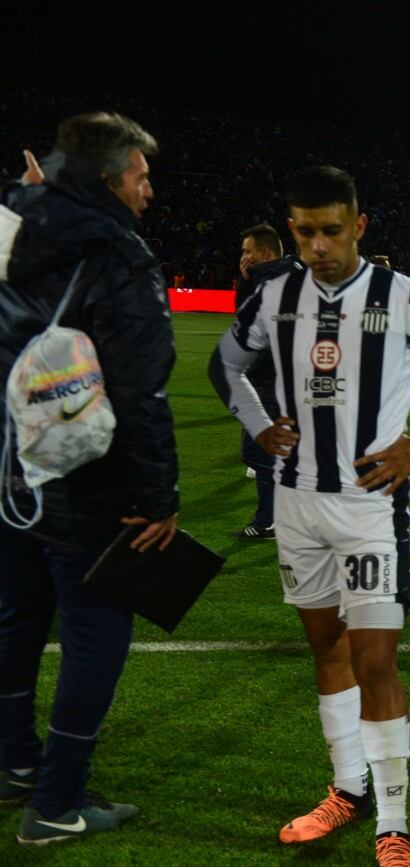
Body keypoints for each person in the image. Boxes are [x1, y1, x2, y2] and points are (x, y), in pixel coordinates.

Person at [213, 165, 410, 866]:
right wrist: (257, 425)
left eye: (332, 230)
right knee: (326, 649)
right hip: (295, 502)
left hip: (369, 505)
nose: (319, 245)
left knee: (375, 658)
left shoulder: (404, 295)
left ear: (359, 226)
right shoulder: (273, 295)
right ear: (292, 228)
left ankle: (393, 821)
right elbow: (226, 366)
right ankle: (346, 787)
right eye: (306, 231)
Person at [0, 113, 177, 845]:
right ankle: (56, 801)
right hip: (85, 476)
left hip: (13, 468)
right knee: (97, 632)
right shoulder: (117, 253)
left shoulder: (13, 226)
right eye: (140, 175)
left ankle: (12, 761)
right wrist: (158, 495)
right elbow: (139, 388)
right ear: (109, 179)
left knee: (16, 614)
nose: (149, 190)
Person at [225, 224, 302, 539]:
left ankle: (270, 519)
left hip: (272, 382)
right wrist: (246, 283)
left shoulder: (273, 284)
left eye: (247, 251)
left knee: (259, 453)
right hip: (291, 381)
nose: (243, 257)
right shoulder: (287, 274)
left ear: (265, 253)